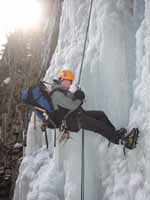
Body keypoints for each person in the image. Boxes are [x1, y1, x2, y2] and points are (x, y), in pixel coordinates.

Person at [44, 69, 138, 149]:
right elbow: (72, 105)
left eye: (70, 82)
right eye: (67, 81)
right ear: (61, 80)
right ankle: (122, 141)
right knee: (99, 126)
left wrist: (78, 94)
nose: (68, 85)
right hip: (73, 121)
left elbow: (73, 98)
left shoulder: (63, 91)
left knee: (100, 115)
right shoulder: (56, 94)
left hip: (77, 115)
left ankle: (114, 133)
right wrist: (79, 99)